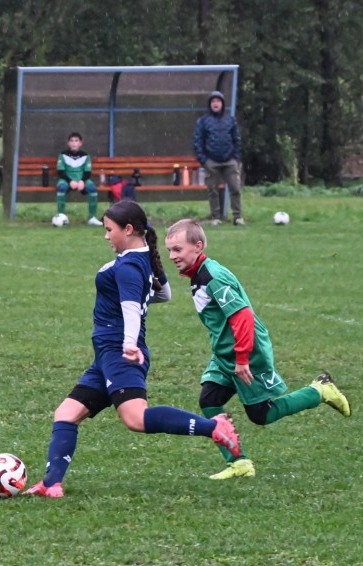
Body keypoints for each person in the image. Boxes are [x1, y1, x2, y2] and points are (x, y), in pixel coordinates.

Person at [24, 201, 244, 498]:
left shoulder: (129, 265)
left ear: (128, 230)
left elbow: (130, 308)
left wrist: (129, 343)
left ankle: (213, 427)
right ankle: (52, 483)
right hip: (106, 355)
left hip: (120, 353)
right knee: (66, 413)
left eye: (109, 230)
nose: (106, 236)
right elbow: (164, 294)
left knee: (136, 419)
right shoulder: (143, 259)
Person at [163, 219, 351, 479]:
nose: (172, 256)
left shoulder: (212, 277)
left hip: (247, 351)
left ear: (198, 246)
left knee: (261, 414)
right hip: (226, 353)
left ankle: (319, 391)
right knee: (209, 400)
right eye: (169, 250)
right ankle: (239, 462)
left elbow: (243, 316)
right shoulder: (199, 274)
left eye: (177, 249)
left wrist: (242, 359)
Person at [192, 91, 244, 226]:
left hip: (229, 161)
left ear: (222, 104)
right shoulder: (203, 121)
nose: (216, 104)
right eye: (213, 101)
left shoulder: (230, 120)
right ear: (210, 104)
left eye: (218, 101)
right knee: (213, 190)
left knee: (235, 188)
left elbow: (236, 140)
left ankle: (237, 217)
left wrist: (236, 158)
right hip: (211, 162)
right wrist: (205, 161)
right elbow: (198, 142)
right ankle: (216, 218)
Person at [56, 132, 102, 226]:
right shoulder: (62, 155)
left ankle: (92, 218)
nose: (74, 143)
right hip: (67, 179)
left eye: (76, 141)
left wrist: (82, 181)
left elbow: (88, 172)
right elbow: (60, 172)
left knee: (92, 188)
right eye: (71, 141)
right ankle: (61, 217)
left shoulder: (85, 155)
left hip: (82, 179)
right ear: (68, 143)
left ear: (80, 143)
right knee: (62, 187)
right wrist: (70, 181)